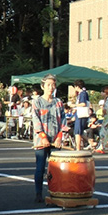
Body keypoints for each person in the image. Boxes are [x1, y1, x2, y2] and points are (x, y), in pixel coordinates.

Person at [32, 74, 66, 203]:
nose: (51, 88)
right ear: (43, 86)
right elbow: (36, 120)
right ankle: (38, 193)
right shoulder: (37, 102)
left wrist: (59, 136)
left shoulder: (58, 102)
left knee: (56, 168)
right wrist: (42, 136)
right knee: (40, 167)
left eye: (53, 85)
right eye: (48, 85)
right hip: (41, 140)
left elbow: (63, 120)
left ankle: (55, 191)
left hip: (55, 138)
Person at [71, 79, 89, 151]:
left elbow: (83, 104)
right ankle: (91, 142)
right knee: (79, 132)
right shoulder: (83, 93)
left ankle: (78, 147)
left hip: (81, 115)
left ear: (77, 86)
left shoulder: (82, 93)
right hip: (80, 114)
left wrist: (74, 105)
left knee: (77, 132)